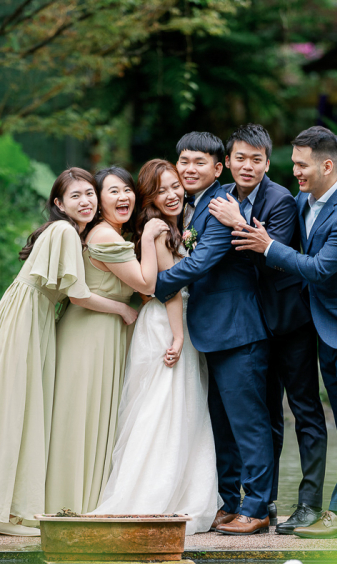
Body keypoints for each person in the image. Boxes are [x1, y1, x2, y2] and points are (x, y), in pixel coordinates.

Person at [0, 168, 139, 537]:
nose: (85, 201)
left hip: (32, 318)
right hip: (24, 321)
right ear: (58, 204)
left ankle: (8, 510)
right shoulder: (64, 232)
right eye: (76, 197)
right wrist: (122, 308)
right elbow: (78, 296)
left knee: (24, 414)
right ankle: (4, 516)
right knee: (17, 413)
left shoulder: (72, 233)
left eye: (89, 194)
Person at [231, 126, 337, 539]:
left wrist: (267, 246)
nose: (295, 172)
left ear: (327, 165)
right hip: (326, 328)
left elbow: (319, 269)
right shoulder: (304, 199)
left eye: (301, 166)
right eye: (293, 163)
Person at [209, 124, 328, 535]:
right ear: (230, 159)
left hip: (288, 321)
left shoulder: (279, 200)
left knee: (301, 410)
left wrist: (233, 221)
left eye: (256, 159)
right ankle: (264, 500)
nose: (247, 166)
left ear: (267, 163)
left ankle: (303, 502)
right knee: (264, 413)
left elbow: (265, 255)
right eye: (240, 158)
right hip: (250, 324)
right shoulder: (222, 194)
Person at [153, 132, 274, 536]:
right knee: (221, 425)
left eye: (199, 162)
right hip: (211, 331)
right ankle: (228, 502)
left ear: (218, 168)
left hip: (238, 330)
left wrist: (153, 284)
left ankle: (256, 508)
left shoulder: (222, 205)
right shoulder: (189, 207)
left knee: (248, 424)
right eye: (184, 161)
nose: (189, 169)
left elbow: (200, 262)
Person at [90, 160, 220, 534]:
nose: (172, 194)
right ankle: (152, 497)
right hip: (167, 326)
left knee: (174, 409)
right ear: (150, 196)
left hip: (166, 325)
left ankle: (177, 494)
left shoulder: (172, 226)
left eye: (176, 186)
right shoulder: (158, 230)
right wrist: (178, 337)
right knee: (165, 410)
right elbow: (168, 290)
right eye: (162, 190)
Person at [45, 166, 168, 515]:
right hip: (89, 334)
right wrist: (148, 238)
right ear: (99, 200)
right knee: (80, 418)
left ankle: (87, 503)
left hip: (105, 332)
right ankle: (67, 504)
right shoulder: (103, 236)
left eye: (127, 190)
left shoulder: (110, 233)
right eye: (112, 191)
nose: (123, 197)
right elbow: (146, 284)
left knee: (98, 420)